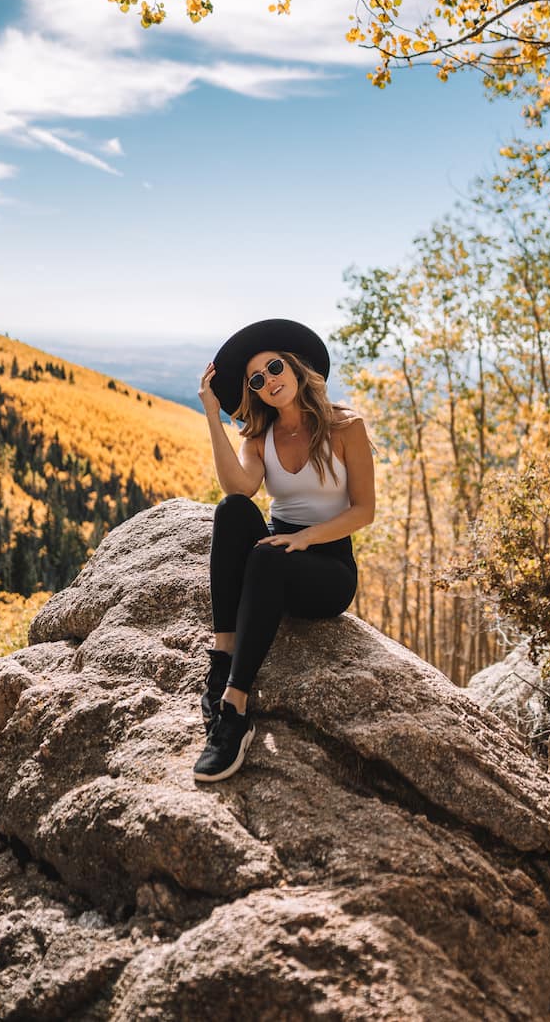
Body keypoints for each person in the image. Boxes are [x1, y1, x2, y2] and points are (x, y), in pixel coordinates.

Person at [194, 318, 375, 782]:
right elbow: (239, 486)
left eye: (274, 368)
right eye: (257, 379)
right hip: (275, 558)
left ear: (294, 367)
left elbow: (364, 511)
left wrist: (304, 539)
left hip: (328, 567)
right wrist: (213, 414)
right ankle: (223, 656)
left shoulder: (345, 427)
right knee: (232, 511)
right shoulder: (260, 437)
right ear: (254, 392)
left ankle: (234, 708)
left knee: (269, 554)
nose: (269, 381)